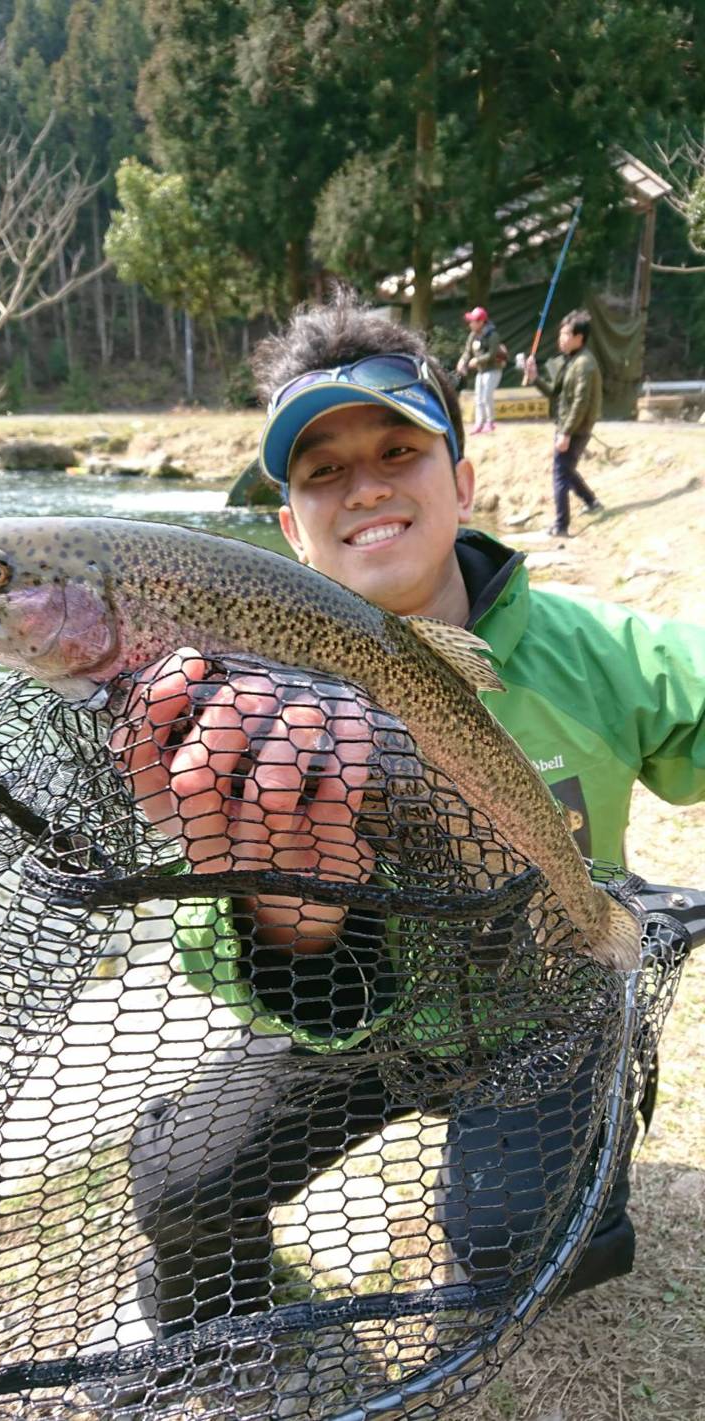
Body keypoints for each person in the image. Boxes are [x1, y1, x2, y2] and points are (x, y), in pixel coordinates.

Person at [112, 289, 705, 1366]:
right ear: (288, 525)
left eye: (398, 448)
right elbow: (214, 955)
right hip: (362, 1025)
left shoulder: (599, 654)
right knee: (179, 1182)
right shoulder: (233, 699)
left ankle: (591, 1145)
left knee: (516, 1244)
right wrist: (292, 919)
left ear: (463, 482)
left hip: (544, 1013)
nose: (365, 487)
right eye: (321, 470)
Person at [524, 308, 604, 538]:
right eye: (561, 334)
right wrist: (534, 377)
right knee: (566, 470)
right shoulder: (569, 361)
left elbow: (581, 402)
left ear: (579, 337)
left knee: (560, 473)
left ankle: (561, 525)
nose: (561, 339)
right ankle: (591, 501)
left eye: (566, 334)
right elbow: (553, 393)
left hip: (576, 428)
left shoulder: (585, 365)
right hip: (567, 426)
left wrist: (566, 433)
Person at [456, 304, 504, 434]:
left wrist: (477, 360)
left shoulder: (492, 335)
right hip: (481, 371)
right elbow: (467, 352)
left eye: (473, 321)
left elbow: (492, 354)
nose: (471, 323)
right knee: (478, 397)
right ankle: (479, 424)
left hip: (493, 370)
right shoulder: (472, 335)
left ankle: (490, 422)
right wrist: (462, 361)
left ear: (481, 322)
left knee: (486, 396)